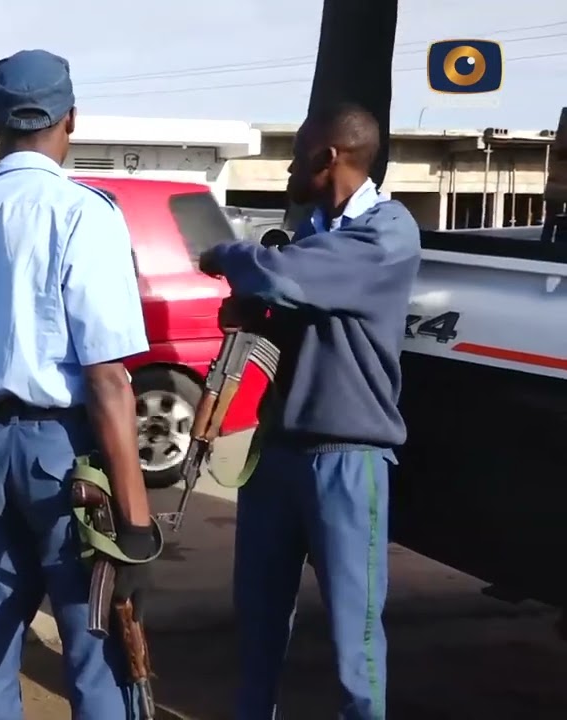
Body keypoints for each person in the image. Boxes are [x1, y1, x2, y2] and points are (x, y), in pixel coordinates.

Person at [0, 50, 159, 719]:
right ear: (70, 117)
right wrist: (135, 521)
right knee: (96, 648)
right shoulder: (85, 213)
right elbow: (108, 377)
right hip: (66, 458)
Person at [196, 103, 420, 720]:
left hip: (349, 459)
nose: (288, 169)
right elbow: (289, 301)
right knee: (259, 625)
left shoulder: (386, 232)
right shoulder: (313, 234)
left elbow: (281, 279)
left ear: (329, 158)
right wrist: (255, 314)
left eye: (296, 156)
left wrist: (229, 260)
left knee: (356, 639)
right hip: (280, 456)